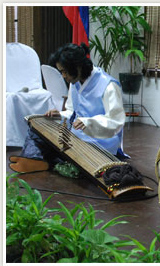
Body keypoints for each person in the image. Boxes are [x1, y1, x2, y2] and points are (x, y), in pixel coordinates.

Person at [9, 43, 127, 173]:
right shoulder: (75, 81)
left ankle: (40, 160)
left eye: (64, 71)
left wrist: (88, 122)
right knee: (36, 129)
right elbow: (72, 111)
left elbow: (116, 121)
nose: (63, 76)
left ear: (77, 67)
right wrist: (60, 115)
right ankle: (35, 160)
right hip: (77, 136)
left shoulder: (108, 85)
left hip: (100, 143)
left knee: (59, 153)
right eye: (61, 72)